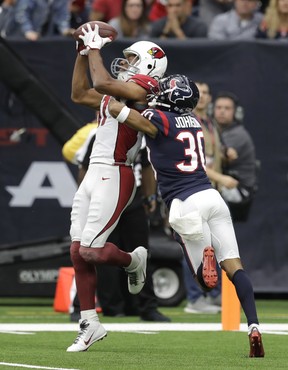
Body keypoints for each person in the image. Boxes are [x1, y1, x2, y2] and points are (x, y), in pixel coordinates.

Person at [108, 74, 265, 357]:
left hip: (185, 204)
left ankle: (200, 248)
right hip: (212, 197)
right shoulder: (194, 122)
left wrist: (107, 96)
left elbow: (119, 110)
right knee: (235, 267)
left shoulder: (158, 118)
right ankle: (254, 325)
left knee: (206, 282)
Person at [67, 23, 168, 352]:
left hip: (117, 171)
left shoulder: (146, 87)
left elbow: (100, 82)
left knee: (92, 251)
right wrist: (82, 53)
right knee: (76, 251)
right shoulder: (117, 90)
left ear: (148, 66)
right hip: (95, 171)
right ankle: (90, 324)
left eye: (130, 59)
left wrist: (95, 46)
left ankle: (131, 261)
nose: (124, 63)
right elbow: (80, 93)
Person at [63, 123, 170, 322]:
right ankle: (87, 305)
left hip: (132, 197)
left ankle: (145, 306)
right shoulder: (100, 133)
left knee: (140, 250)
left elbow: (146, 167)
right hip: (105, 197)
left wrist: (149, 197)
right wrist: (85, 199)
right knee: (91, 249)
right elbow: (85, 169)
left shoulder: (140, 132)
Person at [182, 81, 239, 314]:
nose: (203, 97)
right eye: (199, 92)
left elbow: (211, 152)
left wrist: (225, 153)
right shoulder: (187, 121)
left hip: (209, 190)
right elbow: (195, 162)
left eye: (206, 93)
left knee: (214, 244)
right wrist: (221, 177)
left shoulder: (209, 121)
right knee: (193, 242)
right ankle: (195, 298)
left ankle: (213, 294)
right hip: (192, 189)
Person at [213, 91, 258, 222]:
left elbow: (215, 157)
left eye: (227, 108)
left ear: (236, 112)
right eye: (219, 107)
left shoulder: (238, 134)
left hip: (239, 190)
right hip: (227, 184)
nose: (222, 111)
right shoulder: (214, 130)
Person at [4, 0, 74, 41]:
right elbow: (21, 14)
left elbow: (62, 15)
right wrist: (28, 31)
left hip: (43, 38)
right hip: (19, 37)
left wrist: (65, 30)